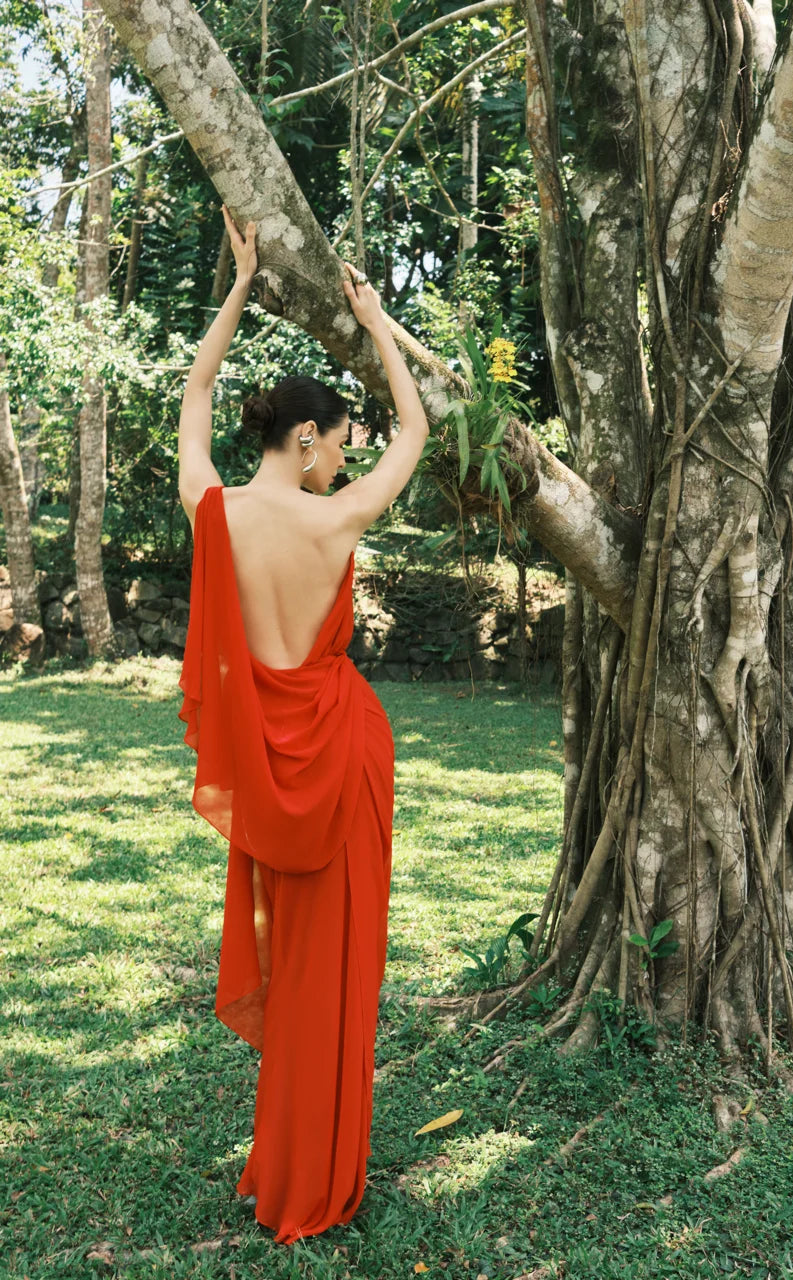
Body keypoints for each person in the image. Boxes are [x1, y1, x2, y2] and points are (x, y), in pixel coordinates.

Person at [175, 205, 429, 1245]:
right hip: (345, 753)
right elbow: (415, 430)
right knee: (337, 970)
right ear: (307, 436)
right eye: (334, 445)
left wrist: (239, 287)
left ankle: (284, 1166)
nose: (339, 462)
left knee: (296, 971)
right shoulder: (335, 518)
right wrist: (377, 325)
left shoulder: (215, 510)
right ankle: (314, 1169)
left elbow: (194, 398)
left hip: (274, 773)